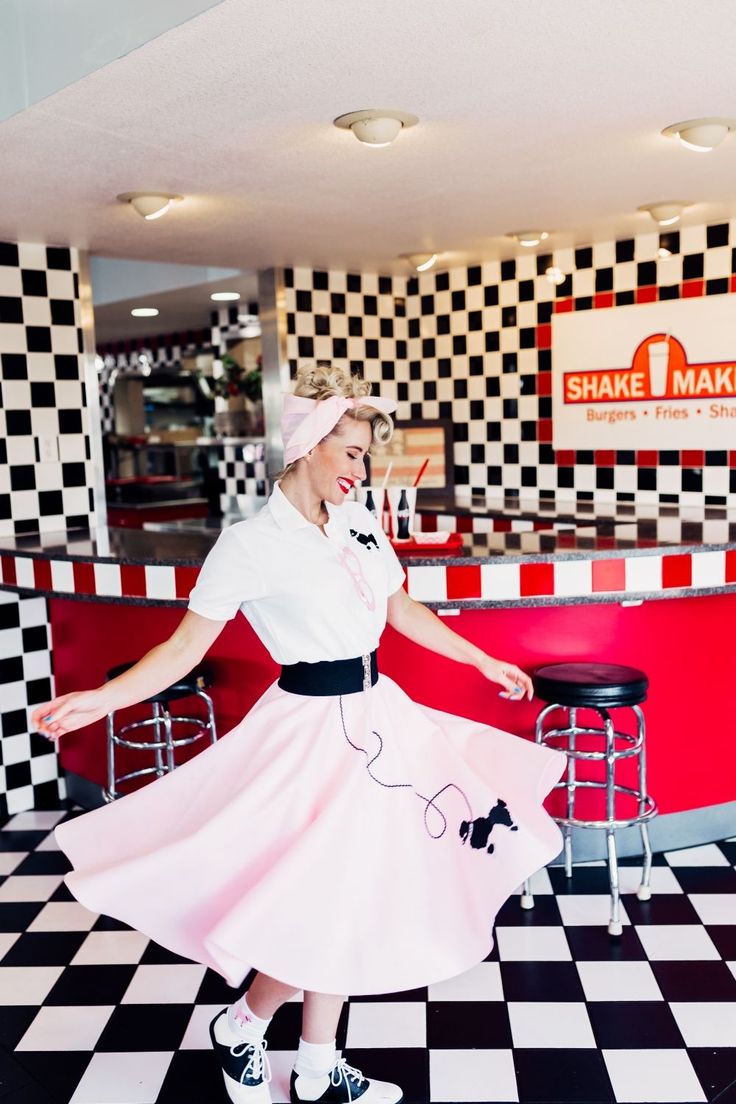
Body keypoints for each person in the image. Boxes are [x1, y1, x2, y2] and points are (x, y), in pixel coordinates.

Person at [34, 365, 564, 1104]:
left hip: (380, 715)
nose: (361, 469)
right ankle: (244, 1022)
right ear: (309, 446)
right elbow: (184, 650)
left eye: (365, 456)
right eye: (349, 452)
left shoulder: (358, 522)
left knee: (347, 897)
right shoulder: (249, 546)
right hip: (310, 736)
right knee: (329, 898)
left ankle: (315, 1067)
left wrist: (481, 658)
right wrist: (101, 701)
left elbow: (400, 610)